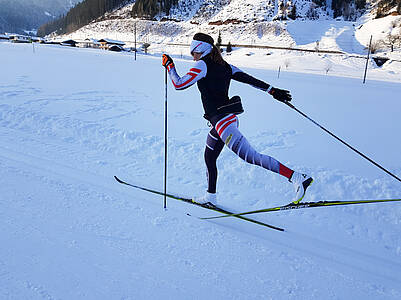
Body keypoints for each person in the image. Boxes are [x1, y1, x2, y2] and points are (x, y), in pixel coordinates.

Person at [162, 32, 313, 206]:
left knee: (251, 157)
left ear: (201, 49)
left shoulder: (203, 65)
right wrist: (272, 90)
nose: (192, 56)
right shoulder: (226, 66)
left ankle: (296, 177)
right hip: (225, 120)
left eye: (193, 52)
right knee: (209, 157)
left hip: (223, 122)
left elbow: (179, 84)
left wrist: (170, 66)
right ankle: (211, 197)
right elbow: (249, 79)